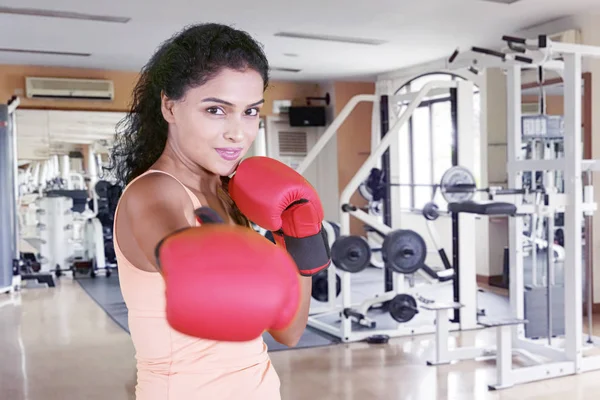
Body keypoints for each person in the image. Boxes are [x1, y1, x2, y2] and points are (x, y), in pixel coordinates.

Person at [108, 23, 329, 400]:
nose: (238, 133)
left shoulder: (228, 195)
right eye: (216, 110)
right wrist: (203, 259)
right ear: (169, 106)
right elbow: (190, 269)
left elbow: (289, 333)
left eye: (249, 112)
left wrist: (297, 236)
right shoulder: (154, 192)